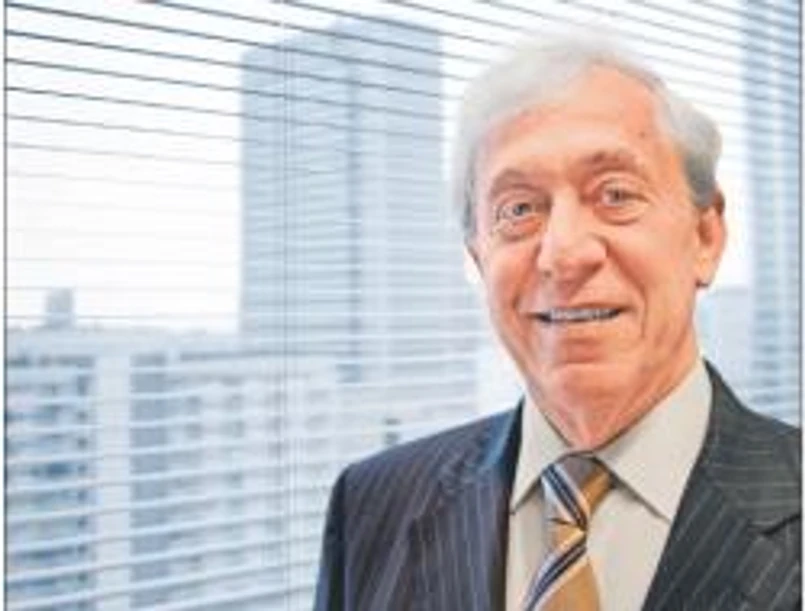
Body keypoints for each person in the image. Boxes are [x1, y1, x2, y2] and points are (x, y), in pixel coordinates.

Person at [313, 35, 801, 611]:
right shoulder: (373, 505)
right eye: (518, 209)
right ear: (478, 258)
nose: (563, 253)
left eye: (615, 194)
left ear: (705, 237)